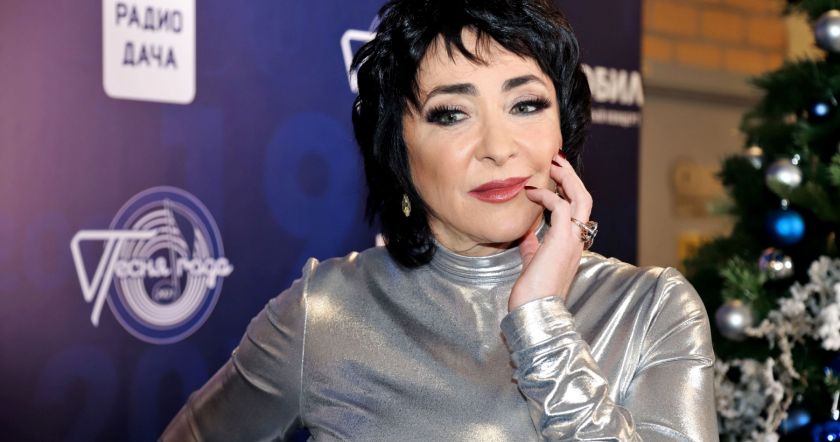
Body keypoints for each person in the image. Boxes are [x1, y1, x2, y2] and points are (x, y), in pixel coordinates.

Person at [161, 0, 718, 440]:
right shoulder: (323, 314)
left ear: (563, 128)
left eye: (526, 105)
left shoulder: (652, 310)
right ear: (399, 152)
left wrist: (542, 323)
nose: (498, 147)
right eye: (451, 114)